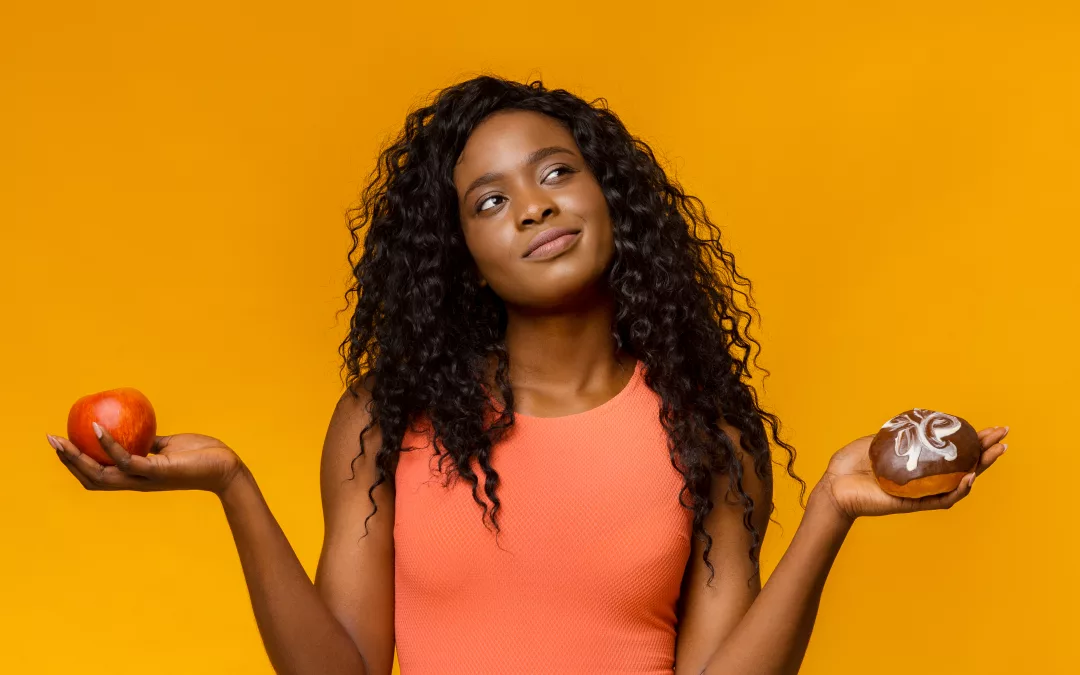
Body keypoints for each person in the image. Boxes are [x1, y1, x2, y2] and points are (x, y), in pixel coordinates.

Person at [48, 75, 1008, 675]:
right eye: (490, 199)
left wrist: (830, 513)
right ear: (461, 250)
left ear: (608, 194)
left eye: (556, 174)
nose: (533, 210)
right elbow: (339, 669)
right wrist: (233, 486)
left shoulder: (705, 435)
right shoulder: (387, 420)